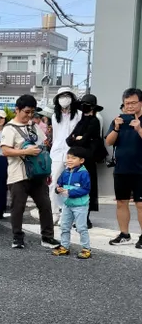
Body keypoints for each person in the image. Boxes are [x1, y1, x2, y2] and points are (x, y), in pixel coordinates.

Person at [0, 94, 58, 250]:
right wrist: (24, 152)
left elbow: (43, 145)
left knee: (45, 205)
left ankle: (47, 237)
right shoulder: (9, 128)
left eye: (32, 112)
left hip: (38, 174)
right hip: (18, 174)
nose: (29, 115)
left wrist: (47, 171)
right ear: (17, 110)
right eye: (26, 112)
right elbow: (5, 151)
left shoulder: (33, 126)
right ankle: (17, 238)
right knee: (18, 207)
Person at [105, 86, 142, 248]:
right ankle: (124, 234)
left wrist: (139, 128)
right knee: (121, 202)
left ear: (141, 103)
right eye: (127, 103)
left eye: (134, 102)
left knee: (141, 204)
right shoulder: (119, 119)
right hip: (121, 168)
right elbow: (109, 141)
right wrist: (116, 127)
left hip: (140, 169)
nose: (130, 106)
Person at [68, 94, 103, 226]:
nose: (84, 108)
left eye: (86, 105)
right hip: (78, 158)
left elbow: (83, 139)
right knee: (76, 186)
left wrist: (78, 138)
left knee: (88, 187)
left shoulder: (95, 121)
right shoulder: (81, 121)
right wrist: (76, 138)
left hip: (88, 159)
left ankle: (85, 218)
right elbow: (69, 140)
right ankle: (78, 217)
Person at [52, 146, 92, 259]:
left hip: (80, 205)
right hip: (67, 204)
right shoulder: (65, 172)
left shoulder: (83, 173)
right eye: (68, 157)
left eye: (73, 158)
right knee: (64, 226)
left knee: (81, 227)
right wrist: (57, 189)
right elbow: (59, 183)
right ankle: (64, 246)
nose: (69, 160)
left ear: (81, 160)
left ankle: (86, 248)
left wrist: (70, 192)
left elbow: (86, 189)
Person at [49, 89, 82, 219]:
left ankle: (67, 213)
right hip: (57, 152)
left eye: (67, 96)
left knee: (71, 182)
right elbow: (56, 135)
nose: (64, 98)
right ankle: (54, 212)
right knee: (54, 182)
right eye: (61, 96)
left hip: (72, 151)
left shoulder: (78, 114)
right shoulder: (54, 116)